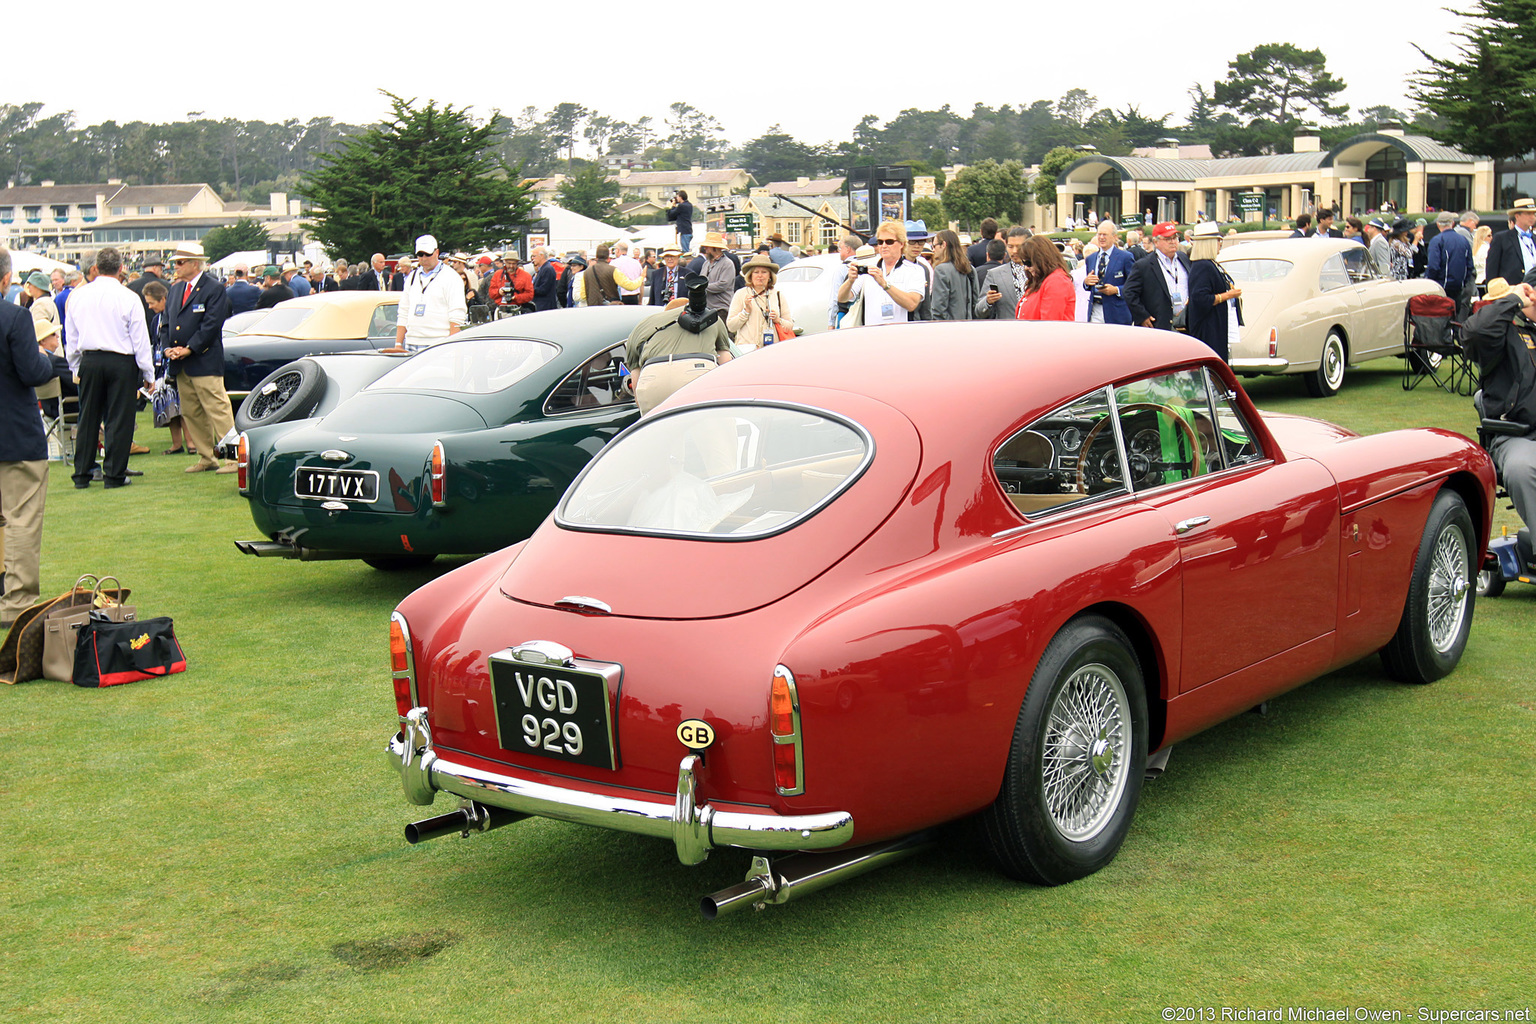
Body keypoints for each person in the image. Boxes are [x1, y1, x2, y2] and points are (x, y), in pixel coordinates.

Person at [0, 247, 57, 628]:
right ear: (6, 279)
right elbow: (31, 371)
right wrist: (45, 358)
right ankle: (16, 601)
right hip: (13, 432)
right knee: (20, 518)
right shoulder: (15, 317)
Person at [66, 247, 153, 489]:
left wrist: (76, 366)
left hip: (90, 359)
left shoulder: (78, 295)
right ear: (121, 268)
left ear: (96, 267)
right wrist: (148, 372)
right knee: (119, 418)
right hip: (121, 362)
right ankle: (114, 474)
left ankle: (82, 473)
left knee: (88, 418)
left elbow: (71, 337)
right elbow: (140, 338)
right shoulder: (128, 297)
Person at [1464, 280, 1536, 534]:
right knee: (1522, 469)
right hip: (1516, 434)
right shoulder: (1505, 330)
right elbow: (1474, 333)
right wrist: (1513, 300)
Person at [161, 241, 235, 473]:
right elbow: (166, 324)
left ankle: (233, 459)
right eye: (175, 263)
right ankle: (206, 457)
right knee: (192, 412)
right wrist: (167, 348)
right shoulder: (175, 290)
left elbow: (211, 325)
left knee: (217, 409)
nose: (177, 267)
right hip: (181, 363)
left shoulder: (213, 288)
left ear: (195, 264)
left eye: (180, 263)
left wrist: (190, 348)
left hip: (204, 360)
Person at [623, 274, 732, 416]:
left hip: (653, 378)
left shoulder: (644, 324)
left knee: (656, 434)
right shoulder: (711, 320)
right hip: (697, 374)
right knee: (708, 433)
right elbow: (725, 363)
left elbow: (636, 375)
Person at [838, 220, 925, 326]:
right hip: (872, 334)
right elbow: (842, 298)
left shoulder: (914, 270)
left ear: (901, 243)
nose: (884, 246)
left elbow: (911, 304)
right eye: (880, 242)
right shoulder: (868, 265)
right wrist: (850, 281)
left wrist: (885, 284)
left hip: (901, 334)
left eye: (889, 242)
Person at [396, 235, 467, 352]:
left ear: (436, 252)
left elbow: (457, 314)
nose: (424, 258)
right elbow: (403, 310)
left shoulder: (451, 277)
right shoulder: (412, 277)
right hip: (411, 341)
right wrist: (398, 344)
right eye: (420, 254)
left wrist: (452, 345)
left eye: (428, 254)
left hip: (439, 342)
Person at [1186, 221, 1243, 361]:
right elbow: (1200, 298)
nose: (1220, 244)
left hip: (1216, 325)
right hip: (1208, 328)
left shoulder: (1210, 263)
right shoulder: (1202, 266)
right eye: (1218, 241)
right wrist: (1228, 295)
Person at [1124, 222, 1192, 331]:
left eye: (1175, 238)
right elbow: (1129, 293)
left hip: (1186, 322)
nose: (1173, 242)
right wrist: (1142, 316)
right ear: (1156, 242)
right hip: (1160, 324)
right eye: (1167, 239)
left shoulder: (1183, 258)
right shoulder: (1144, 265)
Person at [726, 253, 794, 352]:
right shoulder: (741, 294)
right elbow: (731, 326)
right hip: (747, 351)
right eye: (756, 272)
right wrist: (746, 312)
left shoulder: (778, 295)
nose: (760, 276)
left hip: (772, 351)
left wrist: (777, 320)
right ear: (750, 275)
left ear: (770, 276)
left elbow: (789, 326)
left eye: (764, 272)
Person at [1081, 221, 1136, 325]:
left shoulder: (1125, 257)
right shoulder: (1091, 258)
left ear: (1114, 237)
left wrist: (1116, 290)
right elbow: (1088, 285)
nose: (1101, 237)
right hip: (1095, 311)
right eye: (1099, 234)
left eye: (1105, 234)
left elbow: (1134, 285)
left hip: (1117, 313)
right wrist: (1086, 282)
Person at [974, 226, 1031, 320]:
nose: (1014, 251)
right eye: (1010, 246)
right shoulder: (995, 274)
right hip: (1007, 330)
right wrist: (988, 301)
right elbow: (979, 311)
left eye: (1019, 246)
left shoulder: (1040, 272)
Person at [1427, 210, 1475, 318]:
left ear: (1438, 224)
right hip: (1458, 287)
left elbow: (1433, 266)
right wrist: (1463, 282)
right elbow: (1470, 266)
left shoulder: (1437, 240)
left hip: (1441, 288)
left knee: (1441, 321)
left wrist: (1430, 283)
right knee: (1455, 319)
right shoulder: (1463, 240)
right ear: (1452, 223)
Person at [1015, 236, 1075, 321]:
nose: (1026, 268)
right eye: (1023, 263)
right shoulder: (1040, 281)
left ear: (1041, 260)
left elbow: (1050, 323)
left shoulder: (1056, 281)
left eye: (1028, 263)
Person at [1484, 198, 1536, 288]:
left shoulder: (1534, 238)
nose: (1532, 217)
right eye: (1528, 214)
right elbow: (1492, 269)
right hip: (1511, 292)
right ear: (1517, 216)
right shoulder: (1502, 238)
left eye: (1533, 214)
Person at [928, 229, 975, 321]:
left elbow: (938, 309)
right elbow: (975, 301)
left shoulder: (941, 270)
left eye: (934, 246)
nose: (933, 250)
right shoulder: (969, 268)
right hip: (967, 324)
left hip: (948, 327)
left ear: (943, 245)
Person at [696, 234, 737, 315]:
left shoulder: (727, 263)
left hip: (721, 309)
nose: (705, 249)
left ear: (715, 248)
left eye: (708, 246)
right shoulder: (706, 263)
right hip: (706, 309)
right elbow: (701, 280)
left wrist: (701, 287)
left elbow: (722, 285)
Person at [529, 247, 560, 312]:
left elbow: (543, 289)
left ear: (542, 256)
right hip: (541, 306)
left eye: (534, 256)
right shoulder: (542, 269)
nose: (532, 258)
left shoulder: (547, 269)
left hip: (545, 307)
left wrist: (529, 289)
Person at [666, 189, 694, 254]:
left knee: (685, 251)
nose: (677, 198)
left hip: (684, 231)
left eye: (677, 197)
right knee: (686, 248)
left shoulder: (682, 206)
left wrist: (673, 205)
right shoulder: (689, 205)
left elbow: (672, 214)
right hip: (688, 230)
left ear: (681, 197)